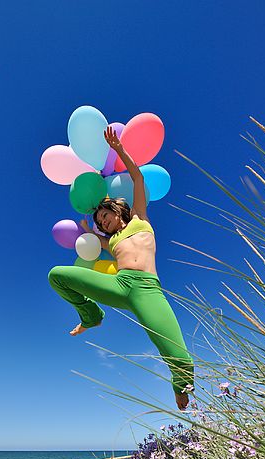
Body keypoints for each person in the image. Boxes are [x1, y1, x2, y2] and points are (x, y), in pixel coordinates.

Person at [48, 126, 194, 410]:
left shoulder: (140, 218)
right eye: (100, 221)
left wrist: (119, 150)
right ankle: (91, 315)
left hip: (147, 290)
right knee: (58, 276)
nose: (102, 222)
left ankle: (181, 385)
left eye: (105, 216)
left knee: (179, 355)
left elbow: (137, 178)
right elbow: (92, 242)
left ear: (118, 211)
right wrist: (87, 230)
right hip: (120, 285)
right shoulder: (109, 241)